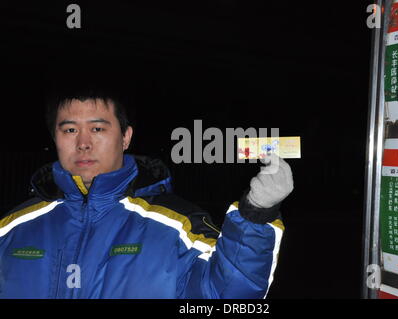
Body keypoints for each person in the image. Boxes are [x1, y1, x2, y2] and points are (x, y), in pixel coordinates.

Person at [0, 84, 294, 299]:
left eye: (98, 129)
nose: (84, 143)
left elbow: (228, 297)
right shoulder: (9, 229)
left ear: (125, 137)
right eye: (70, 130)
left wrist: (255, 213)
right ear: (55, 137)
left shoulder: (179, 226)